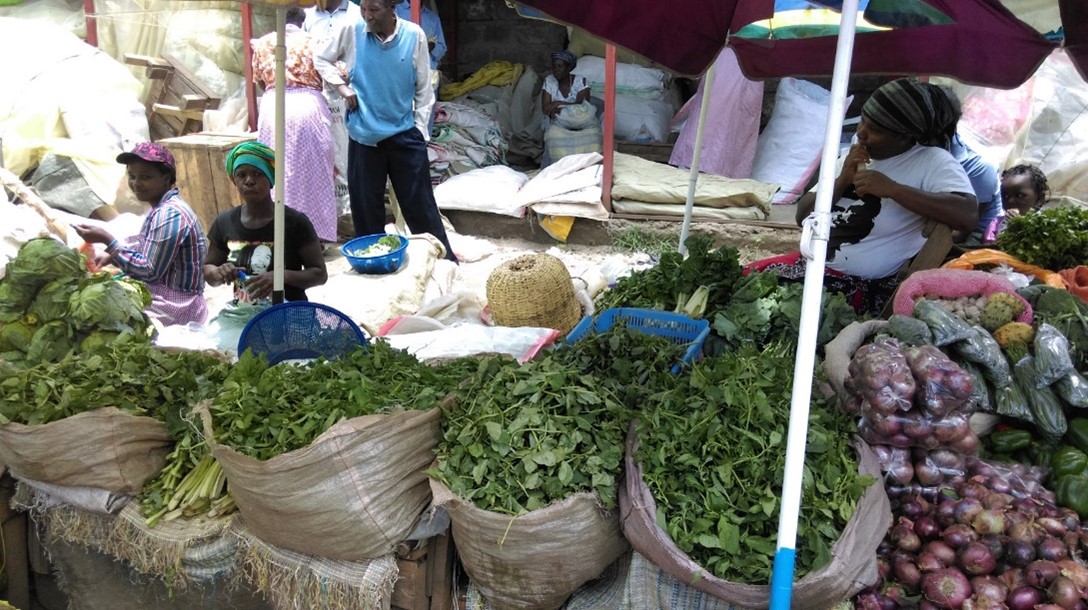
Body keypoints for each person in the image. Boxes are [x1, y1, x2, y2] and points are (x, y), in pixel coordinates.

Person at [753, 78, 978, 314]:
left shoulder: (932, 161)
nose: (861, 133)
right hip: (810, 266)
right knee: (741, 284)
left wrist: (893, 189)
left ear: (905, 136)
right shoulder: (856, 153)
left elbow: (967, 214)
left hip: (857, 288)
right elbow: (803, 216)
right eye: (863, 121)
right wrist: (842, 180)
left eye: (875, 130)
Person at [313, 0, 457, 262]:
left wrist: (420, 133)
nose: (367, 15)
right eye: (364, 8)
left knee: (420, 207)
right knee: (367, 210)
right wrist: (341, 88)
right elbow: (321, 58)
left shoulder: (414, 35)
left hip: (404, 136)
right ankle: (373, 264)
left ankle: (444, 262)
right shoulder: (353, 30)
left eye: (374, 10)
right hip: (364, 138)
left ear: (392, 8)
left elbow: (424, 90)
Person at [73, 142, 209, 327]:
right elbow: (149, 245)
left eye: (146, 177)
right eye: (132, 176)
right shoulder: (161, 208)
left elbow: (149, 271)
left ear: (166, 177)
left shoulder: (170, 214)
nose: (137, 183)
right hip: (168, 297)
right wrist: (113, 255)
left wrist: (107, 240)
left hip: (178, 307)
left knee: (98, 314)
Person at [252, 7, 338, 244]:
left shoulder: (263, 43)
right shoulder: (315, 41)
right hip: (307, 107)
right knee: (315, 172)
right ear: (303, 21)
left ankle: (277, 235)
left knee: (276, 171)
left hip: (273, 107)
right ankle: (315, 236)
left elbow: (259, 80)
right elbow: (333, 75)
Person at [203, 142, 328, 302]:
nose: (249, 181)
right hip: (245, 316)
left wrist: (281, 276)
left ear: (270, 179)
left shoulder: (294, 222)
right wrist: (218, 273)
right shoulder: (225, 222)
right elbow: (209, 269)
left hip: (290, 313)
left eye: (257, 174)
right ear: (234, 180)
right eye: (241, 175)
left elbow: (319, 274)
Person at [304, 0, 361, 215]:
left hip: (348, 95)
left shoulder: (357, 15)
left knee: (346, 154)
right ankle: (328, 212)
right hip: (317, 97)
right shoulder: (309, 15)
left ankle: (348, 211)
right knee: (323, 155)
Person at [985, 164, 1049, 239]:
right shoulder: (997, 224)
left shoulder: (1046, 224)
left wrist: (1021, 226)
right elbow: (990, 245)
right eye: (1006, 196)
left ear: (1039, 199)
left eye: (1019, 195)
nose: (1010, 201)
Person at [394, 0, 446, 72]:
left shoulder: (433, 18)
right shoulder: (396, 11)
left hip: (427, 72)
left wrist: (432, 47)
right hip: (403, 71)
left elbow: (442, 48)